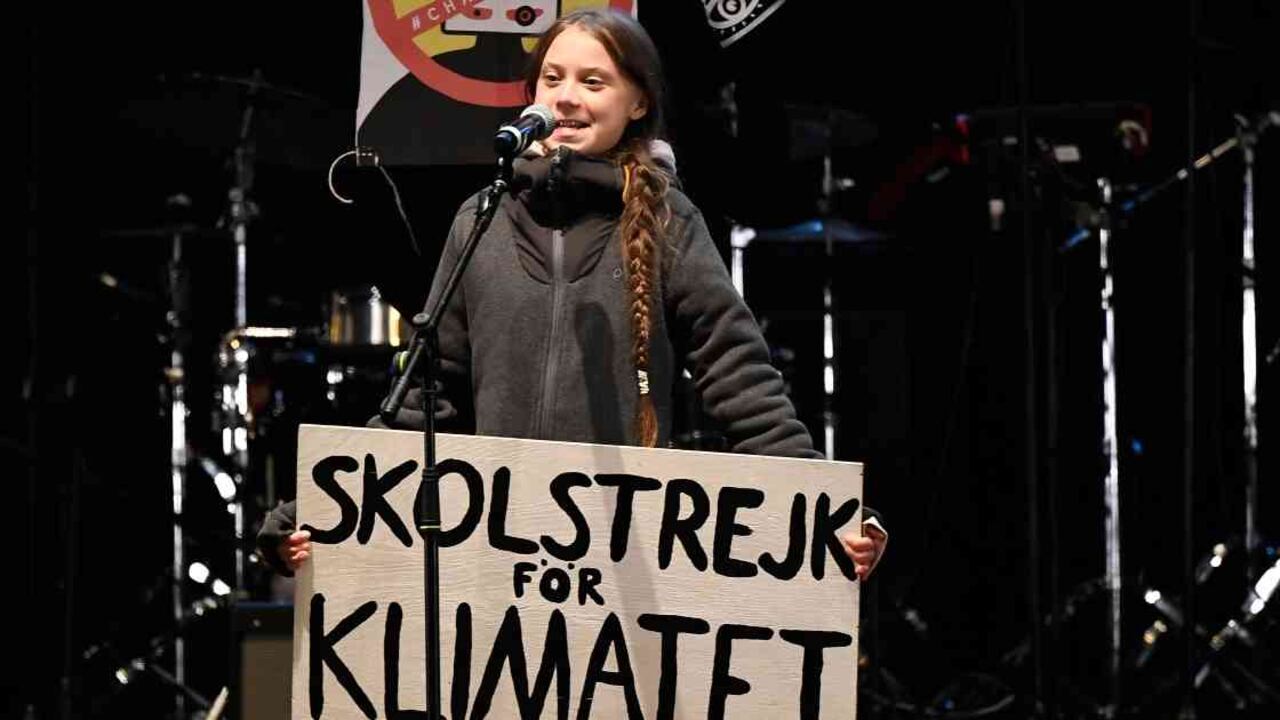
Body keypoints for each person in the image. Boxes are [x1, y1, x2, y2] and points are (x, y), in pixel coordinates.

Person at [260, 8, 886, 582]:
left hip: (621, 551)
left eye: (594, 82)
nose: (566, 98)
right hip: (495, 551)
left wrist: (827, 508)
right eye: (553, 79)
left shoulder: (670, 220)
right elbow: (425, 398)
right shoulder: (481, 218)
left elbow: (739, 377)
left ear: (637, 101)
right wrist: (316, 507)